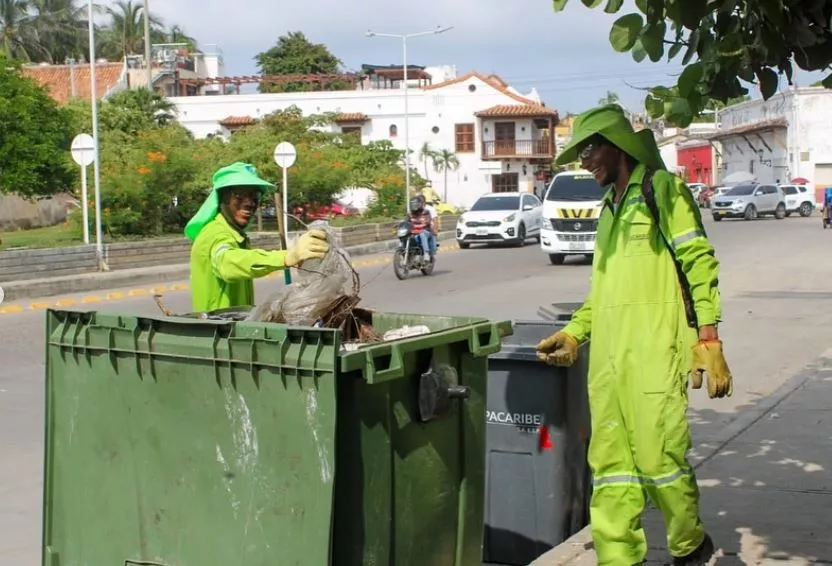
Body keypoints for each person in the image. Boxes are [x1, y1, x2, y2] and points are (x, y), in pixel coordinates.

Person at [535, 105, 733, 566]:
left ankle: (689, 548)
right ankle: (618, 557)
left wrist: (709, 338)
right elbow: (601, 294)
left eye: (590, 149)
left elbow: (698, 266)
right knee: (610, 469)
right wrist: (573, 333)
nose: (585, 161)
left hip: (654, 354)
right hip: (607, 362)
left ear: (617, 145)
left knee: (660, 458)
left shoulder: (663, 190)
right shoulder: (607, 209)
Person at [185, 162, 330, 312]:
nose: (249, 203)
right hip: (216, 332)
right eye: (239, 194)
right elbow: (227, 262)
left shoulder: (235, 235)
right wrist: (287, 257)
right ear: (221, 199)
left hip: (235, 329)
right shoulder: (214, 234)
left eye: (254, 195)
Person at [408, 194, 437, 262]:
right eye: (413, 204)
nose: (414, 206)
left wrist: (435, 230)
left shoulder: (426, 212)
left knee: (422, 233)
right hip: (415, 233)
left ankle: (426, 253)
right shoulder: (410, 214)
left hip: (426, 232)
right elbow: (406, 221)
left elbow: (425, 223)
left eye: (416, 204)